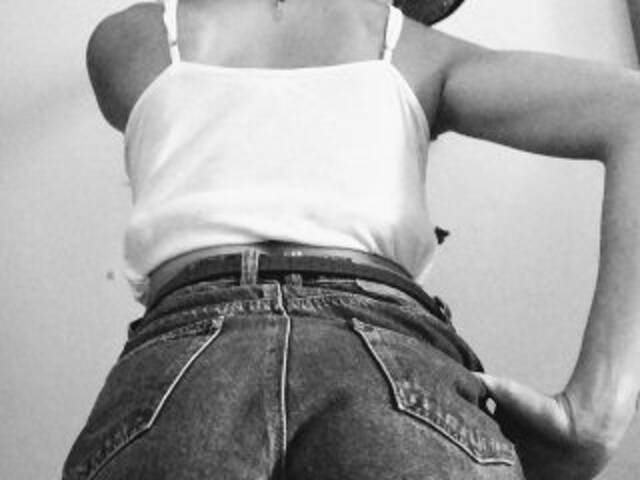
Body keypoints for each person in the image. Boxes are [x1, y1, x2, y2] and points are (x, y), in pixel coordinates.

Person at [63, 0, 640, 478]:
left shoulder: (131, 41)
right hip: (389, 362)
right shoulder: (416, 54)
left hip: (183, 366)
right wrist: (594, 417)